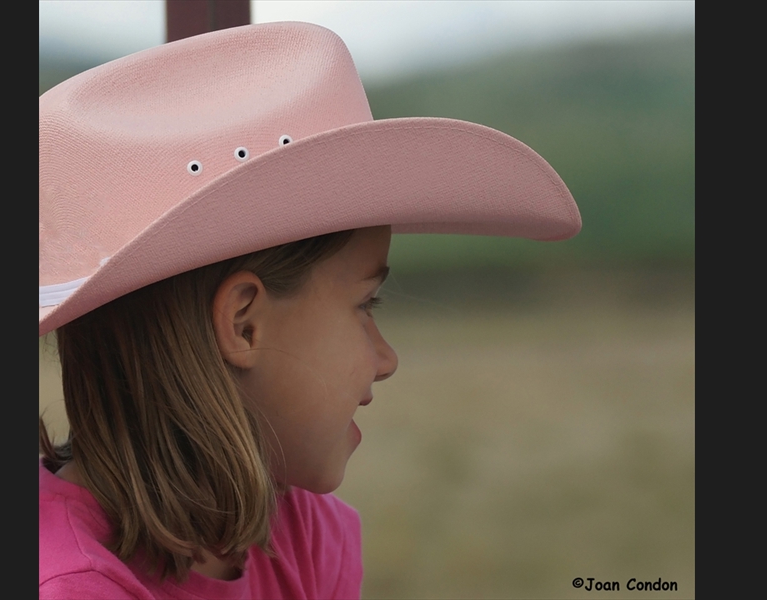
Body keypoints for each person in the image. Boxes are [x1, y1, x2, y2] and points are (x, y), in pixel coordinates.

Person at [38, 21, 581, 600]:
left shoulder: (301, 531)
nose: (386, 358)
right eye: (363, 303)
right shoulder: (72, 588)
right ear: (243, 323)